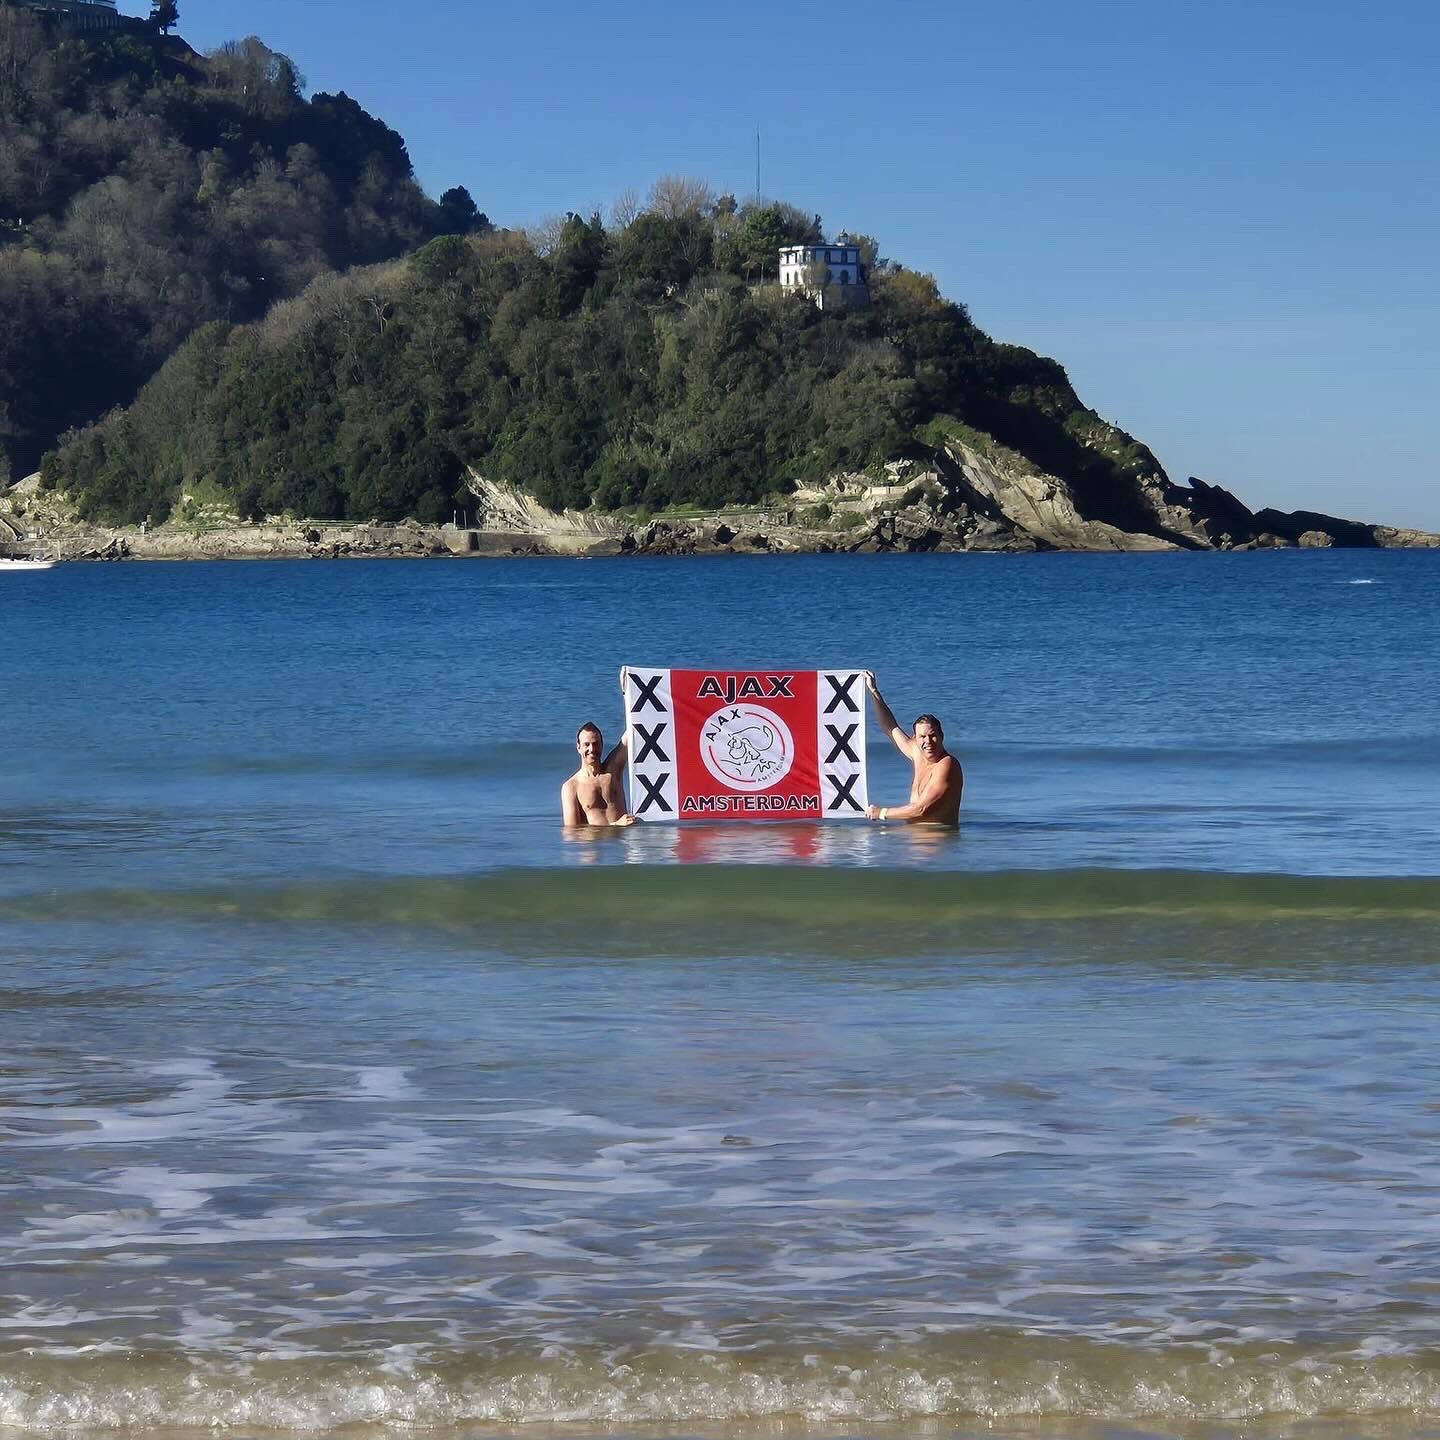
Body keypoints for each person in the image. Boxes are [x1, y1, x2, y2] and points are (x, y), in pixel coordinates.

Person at [861, 671, 963, 826]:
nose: (928, 741)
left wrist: (881, 813)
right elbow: (890, 727)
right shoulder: (917, 753)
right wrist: (873, 690)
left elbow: (921, 809)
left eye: (933, 735)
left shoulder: (947, 764)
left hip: (937, 845)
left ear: (942, 736)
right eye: (922, 737)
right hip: (913, 841)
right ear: (915, 739)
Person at [561, 720, 634, 826]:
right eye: (586, 744)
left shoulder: (613, 770)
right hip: (596, 842)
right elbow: (572, 832)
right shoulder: (571, 787)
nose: (592, 749)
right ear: (578, 747)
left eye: (596, 744)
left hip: (622, 841)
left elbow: (632, 733)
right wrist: (615, 825)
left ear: (602, 745)